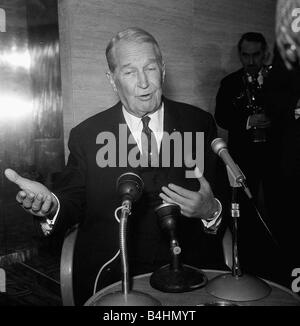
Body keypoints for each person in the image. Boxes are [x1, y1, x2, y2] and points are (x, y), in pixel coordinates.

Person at [4, 27, 227, 305]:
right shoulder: (86, 135)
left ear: (163, 70)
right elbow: (72, 199)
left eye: (151, 68)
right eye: (130, 72)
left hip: (192, 274)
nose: (144, 82)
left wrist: (211, 210)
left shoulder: (200, 123)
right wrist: (50, 204)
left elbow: (224, 200)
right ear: (112, 80)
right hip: (111, 276)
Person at [214, 32, 286, 283]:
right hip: (244, 159)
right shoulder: (229, 83)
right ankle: (250, 269)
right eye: (246, 54)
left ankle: (281, 267)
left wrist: (274, 118)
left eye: (256, 54)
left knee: (280, 209)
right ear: (239, 54)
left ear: (264, 53)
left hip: (278, 157)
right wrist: (246, 121)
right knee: (245, 214)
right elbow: (221, 116)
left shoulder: (280, 80)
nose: (251, 60)